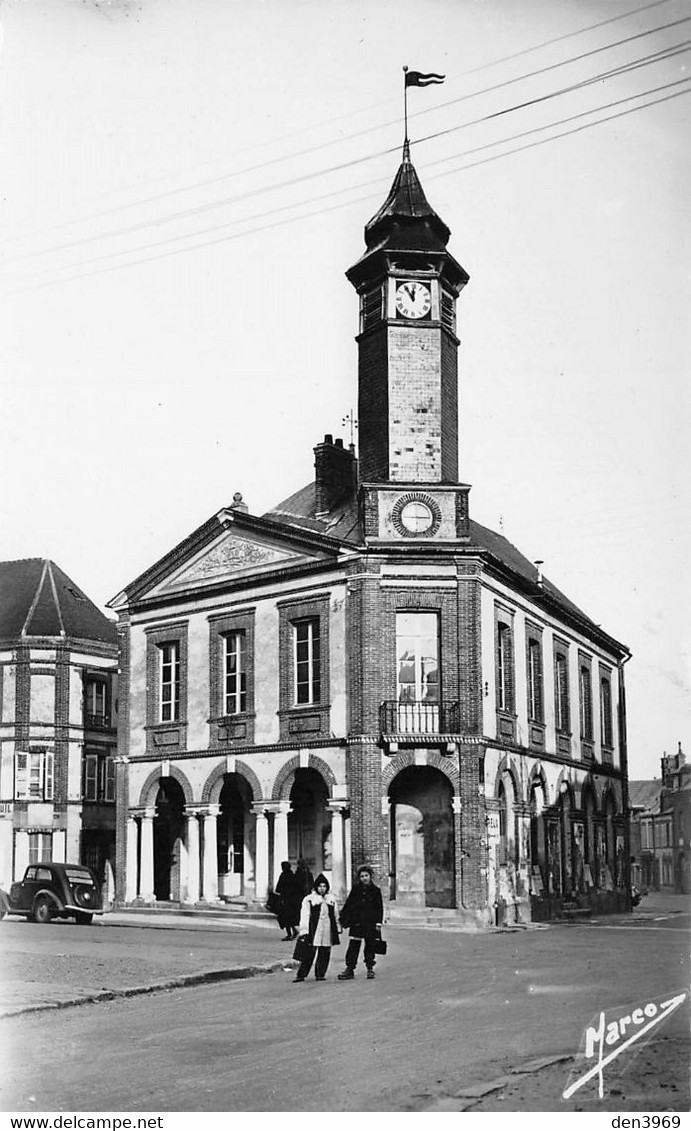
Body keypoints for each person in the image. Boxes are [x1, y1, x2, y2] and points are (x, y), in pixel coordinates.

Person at [337, 865, 384, 981]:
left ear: (370, 876)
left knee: (370, 947)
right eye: (362, 876)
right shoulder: (356, 890)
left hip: (370, 923)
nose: (364, 878)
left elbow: (379, 908)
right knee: (353, 947)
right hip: (357, 923)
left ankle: (370, 968)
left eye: (366, 876)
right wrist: (343, 920)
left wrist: (378, 922)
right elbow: (349, 905)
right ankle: (350, 969)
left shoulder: (375, 891)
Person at [293, 873, 340, 982]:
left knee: (325, 951)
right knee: (309, 952)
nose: (322, 889)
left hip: (327, 928)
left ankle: (320, 973)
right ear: (316, 887)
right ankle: (301, 974)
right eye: (320, 886)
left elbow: (335, 914)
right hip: (314, 928)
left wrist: (337, 927)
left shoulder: (331, 899)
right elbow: (305, 914)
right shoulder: (309, 899)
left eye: (324, 886)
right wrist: (304, 930)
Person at [274, 861, 301, 940]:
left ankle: (289, 934)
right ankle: (294, 931)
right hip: (293, 900)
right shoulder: (293, 875)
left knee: (285, 917)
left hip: (285, 900)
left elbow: (278, 889)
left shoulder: (283, 876)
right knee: (291, 917)